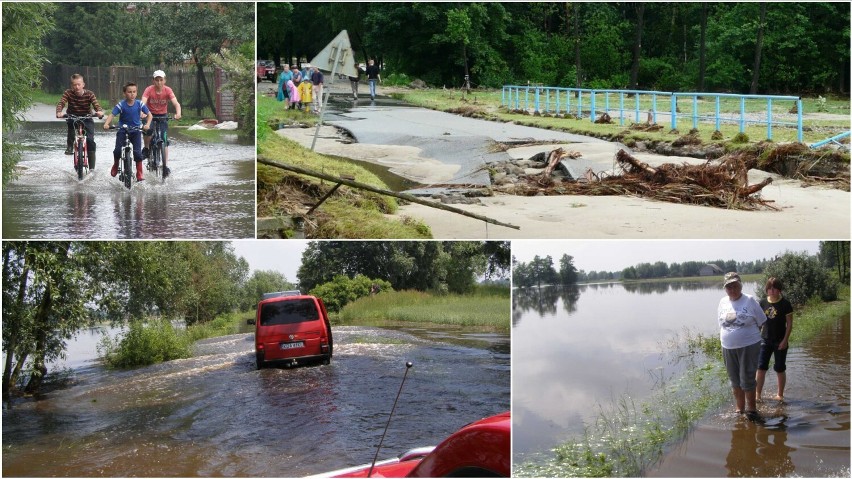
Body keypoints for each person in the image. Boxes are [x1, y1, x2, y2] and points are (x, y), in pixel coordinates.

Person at [717, 272, 767, 417]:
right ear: (725, 288)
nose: (732, 289)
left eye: (735, 286)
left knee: (747, 378)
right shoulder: (722, 302)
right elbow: (721, 324)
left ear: (740, 285)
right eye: (729, 287)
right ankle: (740, 409)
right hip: (727, 347)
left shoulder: (749, 300)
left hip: (749, 346)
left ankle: (751, 410)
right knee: (734, 380)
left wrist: (748, 337)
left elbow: (762, 322)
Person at [102, 82, 152, 181]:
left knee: (138, 153)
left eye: (134, 92)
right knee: (117, 150)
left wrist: (147, 125)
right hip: (123, 130)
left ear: (136, 93)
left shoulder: (139, 104)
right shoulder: (121, 105)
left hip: (136, 131)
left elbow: (150, 115)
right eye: (129, 92)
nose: (132, 94)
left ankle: (139, 172)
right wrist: (106, 124)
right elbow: (112, 115)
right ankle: (116, 165)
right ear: (124, 93)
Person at [756, 277, 794, 402]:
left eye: (774, 288)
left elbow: (789, 325)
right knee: (761, 368)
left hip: (780, 341)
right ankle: (757, 395)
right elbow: (759, 323)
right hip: (765, 340)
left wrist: (784, 341)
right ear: (766, 290)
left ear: (779, 290)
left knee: (779, 368)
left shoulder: (785, 304)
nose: (772, 291)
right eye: (769, 288)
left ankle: (780, 394)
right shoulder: (762, 303)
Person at [55, 74, 104, 169]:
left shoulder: (90, 94)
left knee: (90, 140)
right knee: (71, 128)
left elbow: (96, 105)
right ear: (71, 86)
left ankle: (92, 167)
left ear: (83, 85)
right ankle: (70, 146)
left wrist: (99, 112)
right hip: (72, 116)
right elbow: (61, 102)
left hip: (87, 117)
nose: (76, 87)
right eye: (74, 85)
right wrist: (59, 112)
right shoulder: (68, 93)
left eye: (79, 84)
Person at [141, 70, 182, 178]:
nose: (159, 82)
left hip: (163, 117)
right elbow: (143, 102)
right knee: (147, 130)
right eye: (157, 80)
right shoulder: (149, 90)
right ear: (153, 81)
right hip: (149, 115)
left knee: (164, 139)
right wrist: (142, 112)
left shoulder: (168, 90)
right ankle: (146, 149)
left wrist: (178, 113)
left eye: (161, 80)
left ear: (165, 80)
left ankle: (165, 165)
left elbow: (176, 103)